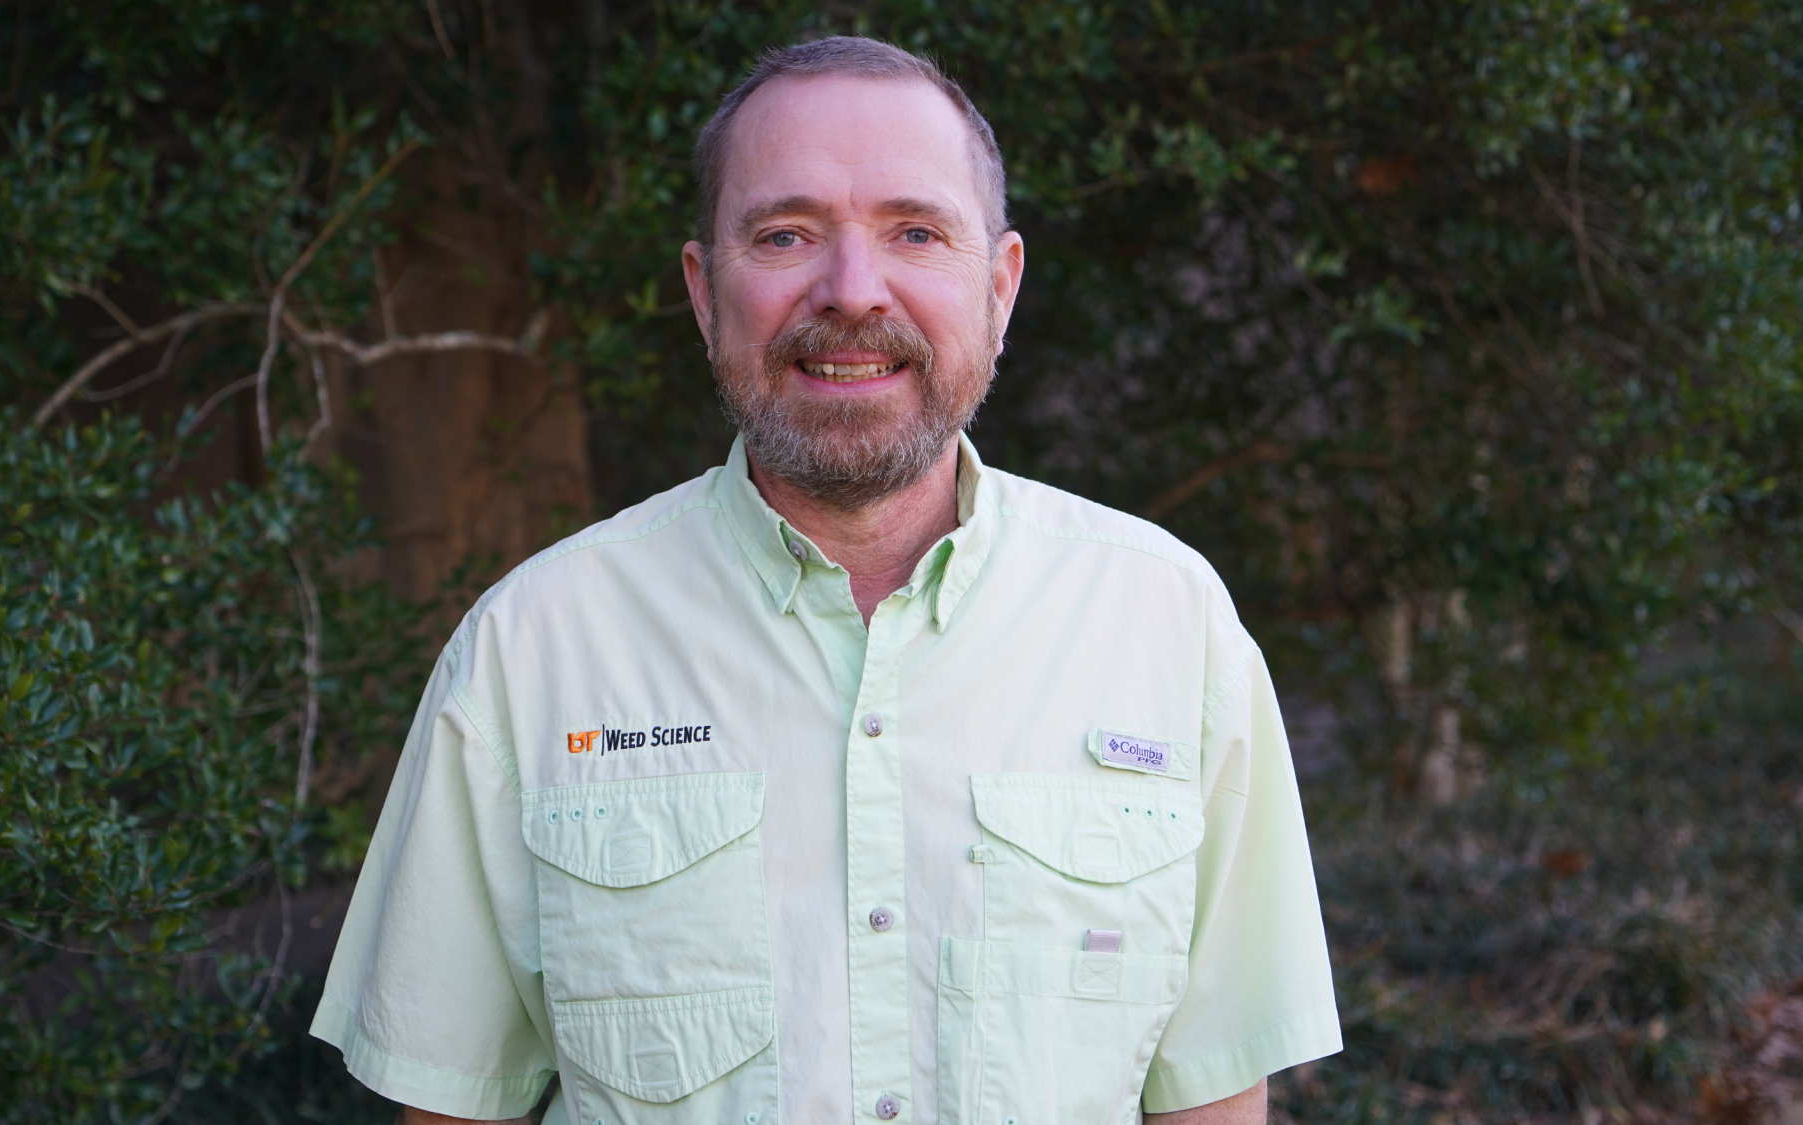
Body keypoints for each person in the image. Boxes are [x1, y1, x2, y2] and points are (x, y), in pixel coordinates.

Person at [312, 36, 1341, 1125]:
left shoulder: (1167, 628)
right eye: (785, 234)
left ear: (997, 287)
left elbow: (1215, 1105)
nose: (852, 292)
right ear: (705, 294)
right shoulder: (532, 649)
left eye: (913, 231)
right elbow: (448, 1107)